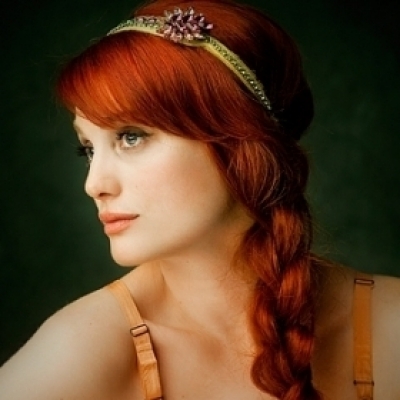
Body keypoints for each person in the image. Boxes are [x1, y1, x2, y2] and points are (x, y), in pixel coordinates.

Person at [0, 0, 399, 399]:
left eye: (131, 137)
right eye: (87, 148)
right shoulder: (80, 350)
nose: (94, 184)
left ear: (241, 142)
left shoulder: (390, 324)